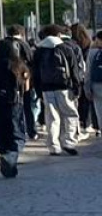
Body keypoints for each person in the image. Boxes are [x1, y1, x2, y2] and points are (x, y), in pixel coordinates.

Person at [30, 25, 83, 156]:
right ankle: (69, 142)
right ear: (58, 35)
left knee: (52, 118)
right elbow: (74, 70)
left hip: (46, 89)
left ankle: (54, 146)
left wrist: (38, 91)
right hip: (64, 88)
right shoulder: (66, 48)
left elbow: (35, 73)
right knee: (70, 114)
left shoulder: (39, 51)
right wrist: (77, 87)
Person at [0, 26, 31, 178]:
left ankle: (6, 158)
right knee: (17, 133)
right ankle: (11, 157)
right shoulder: (18, 65)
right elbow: (26, 88)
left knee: (2, 133)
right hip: (14, 102)